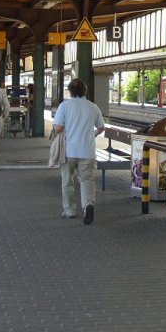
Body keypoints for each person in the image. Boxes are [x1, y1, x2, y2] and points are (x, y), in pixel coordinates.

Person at [53, 78, 105, 224]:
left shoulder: (64, 106)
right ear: (85, 91)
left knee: (67, 181)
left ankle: (69, 211)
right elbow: (101, 127)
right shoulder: (93, 107)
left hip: (68, 151)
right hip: (87, 151)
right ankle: (88, 205)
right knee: (87, 180)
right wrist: (92, 134)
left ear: (69, 91)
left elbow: (57, 127)